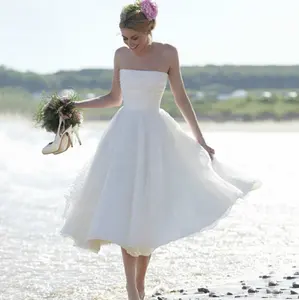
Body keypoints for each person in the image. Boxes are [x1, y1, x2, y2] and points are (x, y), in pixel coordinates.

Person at [60, 1, 260, 299]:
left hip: (156, 135)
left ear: (149, 28)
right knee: (127, 209)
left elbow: (181, 98)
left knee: (148, 209)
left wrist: (200, 139)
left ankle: (140, 285)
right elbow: (115, 98)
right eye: (125, 38)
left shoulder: (168, 53)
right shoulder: (120, 55)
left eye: (135, 38)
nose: (130, 44)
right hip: (124, 137)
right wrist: (76, 106)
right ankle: (132, 289)